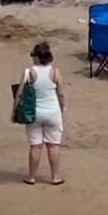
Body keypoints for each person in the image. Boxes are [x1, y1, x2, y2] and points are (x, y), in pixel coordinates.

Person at [18, 41, 65, 186]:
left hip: (34, 113)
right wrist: (61, 110)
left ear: (37, 57)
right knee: (53, 145)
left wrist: (15, 111)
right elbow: (61, 93)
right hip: (52, 111)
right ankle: (55, 176)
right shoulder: (55, 72)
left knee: (35, 146)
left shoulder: (29, 72)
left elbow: (19, 94)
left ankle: (31, 176)